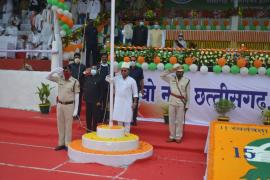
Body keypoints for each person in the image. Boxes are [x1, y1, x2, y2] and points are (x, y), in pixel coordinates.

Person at [46, 66, 80, 151]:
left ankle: (67, 144)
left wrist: (76, 110)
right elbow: (47, 77)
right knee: (60, 124)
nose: (65, 72)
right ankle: (61, 143)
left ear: (71, 71)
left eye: (67, 70)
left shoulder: (75, 81)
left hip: (69, 105)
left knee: (68, 125)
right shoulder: (60, 79)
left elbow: (77, 96)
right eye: (64, 70)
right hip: (60, 105)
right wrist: (54, 71)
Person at [160, 65, 190, 143]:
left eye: (181, 72)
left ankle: (178, 136)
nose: (179, 73)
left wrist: (187, 105)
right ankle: (172, 136)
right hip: (172, 100)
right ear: (176, 72)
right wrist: (172, 70)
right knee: (171, 119)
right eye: (178, 72)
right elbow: (162, 75)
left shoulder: (187, 80)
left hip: (181, 102)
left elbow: (188, 94)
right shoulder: (171, 78)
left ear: (183, 72)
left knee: (179, 120)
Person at [106, 62, 138, 134]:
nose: (123, 72)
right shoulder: (117, 78)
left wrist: (135, 102)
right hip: (118, 102)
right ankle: (120, 134)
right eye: (122, 70)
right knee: (119, 119)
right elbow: (107, 79)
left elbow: (135, 93)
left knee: (127, 120)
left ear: (128, 71)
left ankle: (127, 134)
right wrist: (113, 72)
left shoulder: (132, 80)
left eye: (125, 70)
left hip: (128, 102)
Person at [83, 66, 103, 132]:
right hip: (88, 100)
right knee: (88, 116)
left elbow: (102, 91)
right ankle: (88, 129)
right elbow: (85, 87)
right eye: (92, 69)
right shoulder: (87, 77)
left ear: (97, 70)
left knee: (95, 116)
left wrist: (99, 101)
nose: (93, 70)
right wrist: (84, 72)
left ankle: (94, 129)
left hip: (96, 101)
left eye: (95, 69)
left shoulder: (100, 78)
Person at [69, 53, 86, 118]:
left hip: (79, 86)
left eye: (78, 57)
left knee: (78, 101)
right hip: (71, 86)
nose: (77, 58)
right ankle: (71, 114)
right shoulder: (70, 66)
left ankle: (77, 115)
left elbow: (84, 77)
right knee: (71, 100)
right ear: (73, 58)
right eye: (75, 57)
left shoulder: (83, 66)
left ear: (80, 58)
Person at [129, 56, 144, 126]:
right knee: (128, 105)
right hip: (128, 90)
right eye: (131, 60)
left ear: (136, 61)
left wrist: (142, 90)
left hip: (136, 90)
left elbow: (142, 80)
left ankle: (134, 120)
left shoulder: (139, 69)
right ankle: (128, 119)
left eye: (134, 60)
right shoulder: (127, 69)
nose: (133, 61)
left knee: (135, 105)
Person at [97, 53, 110, 123]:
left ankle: (104, 118)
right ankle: (98, 118)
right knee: (98, 104)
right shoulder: (98, 66)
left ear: (107, 58)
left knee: (105, 104)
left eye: (105, 57)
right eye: (103, 57)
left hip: (106, 88)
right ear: (101, 58)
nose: (104, 58)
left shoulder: (109, 67)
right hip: (98, 89)